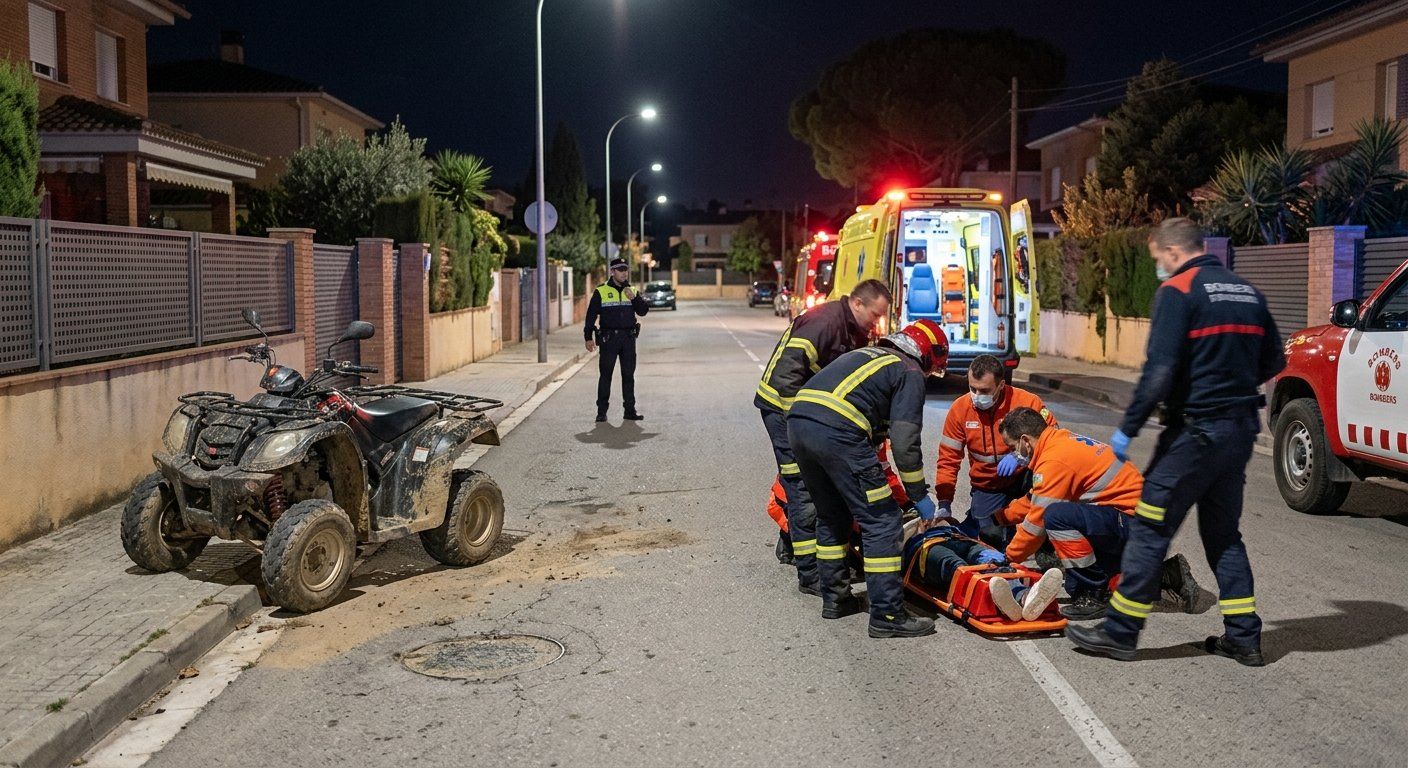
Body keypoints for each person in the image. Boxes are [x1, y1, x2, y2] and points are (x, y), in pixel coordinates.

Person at [1067, 218, 1285, 667]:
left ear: (1171, 252)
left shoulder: (1179, 291)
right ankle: (1244, 636)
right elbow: (1274, 361)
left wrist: (1128, 428)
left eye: (1156, 260)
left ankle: (1120, 633)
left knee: (1149, 528)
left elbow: (1159, 372)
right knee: (1223, 535)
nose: (1158, 269)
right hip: (1239, 430)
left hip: (1194, 434)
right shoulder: (1248, 292)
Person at [787, 319, 947, 638]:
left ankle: (836, 599)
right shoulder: (909, 372)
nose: (929, 375)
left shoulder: (868, 355)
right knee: (882, 520)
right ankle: (887, 615)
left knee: (833, 516)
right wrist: (920, 499)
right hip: (837, 431)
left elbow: (872, 445)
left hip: (799, 424)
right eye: (932, 369)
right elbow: (904, 444)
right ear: (928, 355)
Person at [996, 408, 1200, 620]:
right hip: (1131, 521)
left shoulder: (1053, 461)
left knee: (1056, 517)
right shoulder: (1059, 442)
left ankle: (1095, 595)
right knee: (1077, 586)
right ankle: (1168, 574)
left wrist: (1009, 558)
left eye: (1012, 448)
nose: (1014, 453)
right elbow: (1034, 499)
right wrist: (1000, 518)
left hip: (1134, 524)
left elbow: (1036, 523)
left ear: (1025, 440)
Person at [754, 279, 892, 595]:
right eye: (874, 314)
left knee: (819, 484)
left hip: (808, 412)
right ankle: (811, 574)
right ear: (857, 304)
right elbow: (788, 376)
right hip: (784, 409)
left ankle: (796, 548)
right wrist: (803, 429)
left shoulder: (855, 330)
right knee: (803, 487)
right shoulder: (825, 321)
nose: (877, 322)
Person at [934, 355, 1057, 541]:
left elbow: (1054, 441)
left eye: (984, 390)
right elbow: (948, 460)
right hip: (989, 485)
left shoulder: (1028, 402)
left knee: (1048, 512)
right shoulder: (959, 409)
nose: (976, 396)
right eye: (972, 389)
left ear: (1001, 385)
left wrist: (1020, 456)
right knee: (988, 533)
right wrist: (944, 501)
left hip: (1026, 475)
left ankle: (1045, 546)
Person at [902, 520, 1064, 622]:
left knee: (995, 560)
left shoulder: (948, 523)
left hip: (959, 538)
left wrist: (945, 520)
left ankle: (1024, 597)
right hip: (925, 546)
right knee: (956, 566)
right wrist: (915, 529)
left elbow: (974, 522)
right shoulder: (901, 525)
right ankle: (997, 598)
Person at [584, 257, 649, 423]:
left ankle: (629, 410)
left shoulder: (632, 290)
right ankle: (601, 412)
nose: (624, 272)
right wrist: (588, 337)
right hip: (608, 339)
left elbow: (643, 311)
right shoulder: (601, 291)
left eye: (625, 269)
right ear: (612, 271)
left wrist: (634, 298)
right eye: (620, 269)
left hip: (628, 339)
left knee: (628, 376)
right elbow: (591, 315)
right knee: (606, 376)